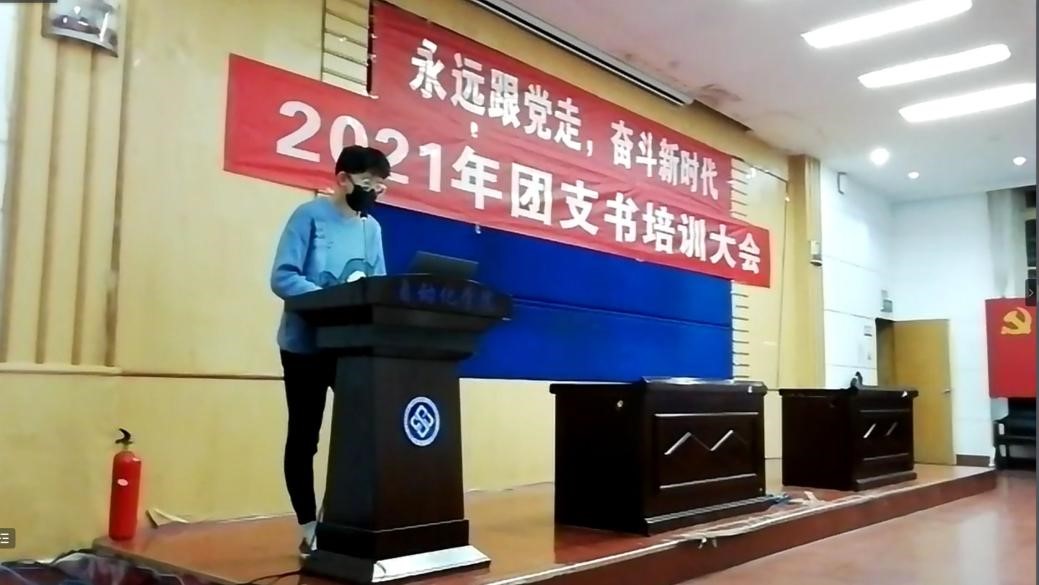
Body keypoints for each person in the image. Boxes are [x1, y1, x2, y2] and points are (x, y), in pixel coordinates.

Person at [269, 145, 390, 556]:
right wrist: (329, 300)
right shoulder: (309, 217)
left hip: (351, 348)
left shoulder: (372, 229)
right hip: (305, 346)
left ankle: (347, 516)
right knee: (305, 436)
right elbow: (283, 278)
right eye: (368, 182)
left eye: (381, 186)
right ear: (342, 179)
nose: (374, 191)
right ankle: (309, 525)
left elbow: (378, 284)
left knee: (365, 431)